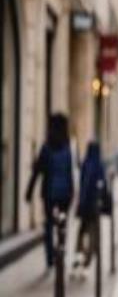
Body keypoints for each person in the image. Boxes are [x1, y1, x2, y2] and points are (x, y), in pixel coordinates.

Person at [26, 113, 74, 271]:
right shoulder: (67, 147)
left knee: (48, 225)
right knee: (62, 224)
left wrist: (29, 191)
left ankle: (50, 258)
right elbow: (69, 173)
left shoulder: (46, 147)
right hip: (65, 193)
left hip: (48, 193)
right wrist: (72, 192)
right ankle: (61, 251)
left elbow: (37, 171)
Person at [71, 141, 107, 278]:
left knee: (81, 231)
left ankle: (78, 256)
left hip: (84, 205)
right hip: (94, 206)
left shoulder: (85, 164)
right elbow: (103, 186)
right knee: (93, 234)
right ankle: (87, 260)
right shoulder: (99, 165)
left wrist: (80, 203)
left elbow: (82, 185)